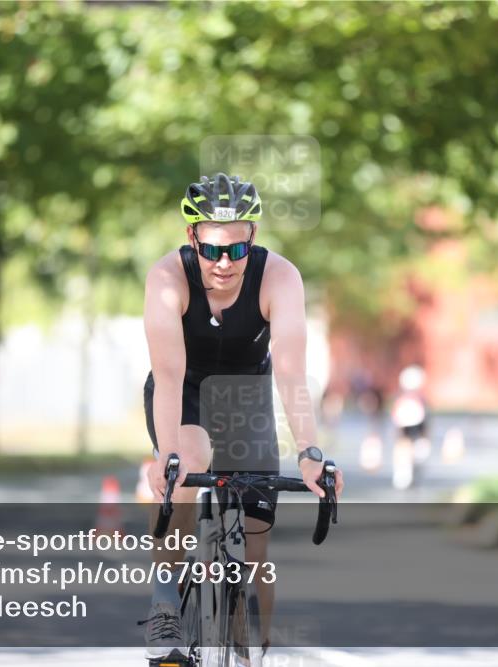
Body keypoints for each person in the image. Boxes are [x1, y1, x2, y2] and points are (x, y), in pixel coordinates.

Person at [141, 173, 344, 659]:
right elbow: (168, 376)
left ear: (253, 236)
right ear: (192, 239)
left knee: (255, 549)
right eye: (212, 251)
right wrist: (168, 456)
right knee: (189, 462)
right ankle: (166, 607)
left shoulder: (280, 278)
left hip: (245, 398)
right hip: (183, 394)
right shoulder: (167, 279)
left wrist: (311, 453)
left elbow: (292, 375)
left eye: (238, 248)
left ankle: (251, 648)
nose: (226, 263)